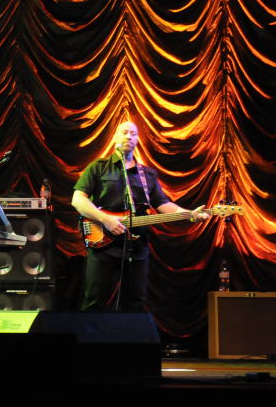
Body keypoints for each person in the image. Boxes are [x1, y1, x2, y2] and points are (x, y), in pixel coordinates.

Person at [72, 120, 208, 312]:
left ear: (137, 140)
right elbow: (78, 200)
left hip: (136, 247)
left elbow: (163, 204)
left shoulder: (147, 175)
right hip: (103, 244)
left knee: (135, 303)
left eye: (133, 134)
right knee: (94, 301)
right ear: (114, 137)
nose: (129, 136)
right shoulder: (98, 167)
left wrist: (189, 214)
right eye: (124, 132)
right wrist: (106, 219)